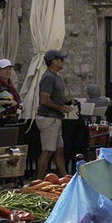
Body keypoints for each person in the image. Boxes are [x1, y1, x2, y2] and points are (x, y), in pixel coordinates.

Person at [36, 49, 73, 179]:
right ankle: (38, 182)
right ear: (53, 61)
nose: (63, 62)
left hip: (55, 118)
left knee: (58, 151)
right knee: (48, 151)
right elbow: (44, 99)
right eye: (60, 59)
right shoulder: (48, 77)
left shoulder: (54, 77)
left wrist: (67, 103)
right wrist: (61, 108)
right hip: (48, 118)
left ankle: (65, 179)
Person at [0, 58, 22, 125]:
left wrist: (19, 106)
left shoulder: (9, 85)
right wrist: (6, 102)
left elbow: (14, 101)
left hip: (9, 118)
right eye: (5, 69)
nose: (8, 71)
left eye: (9, 69)